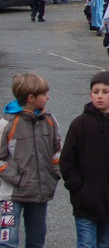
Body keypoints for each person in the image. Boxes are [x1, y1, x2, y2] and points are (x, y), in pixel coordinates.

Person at [60, 71, 109, 248]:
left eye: (105, 92)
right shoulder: (80, 124)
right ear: (90, 94)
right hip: (84, 203)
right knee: (86, 243)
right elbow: (67, 162)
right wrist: (78, 189)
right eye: (96, 92)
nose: (100, 96)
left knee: (103, 243)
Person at [0, 73, 61, 248]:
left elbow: (57, 149)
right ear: (31, 98)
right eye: (44, 94)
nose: (48, 97)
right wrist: (17, 179)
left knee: (36, 241)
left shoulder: (49, 120)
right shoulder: (7, 123)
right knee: (7, 241)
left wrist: (54, 173)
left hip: (39, 193)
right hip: (11, 195)